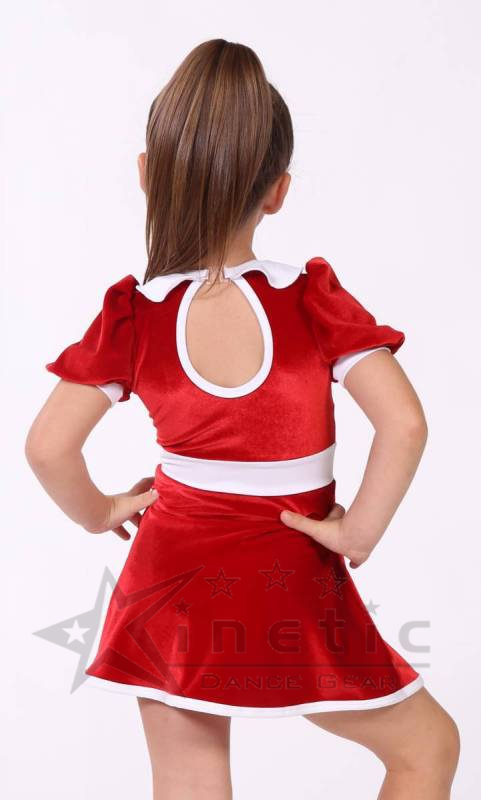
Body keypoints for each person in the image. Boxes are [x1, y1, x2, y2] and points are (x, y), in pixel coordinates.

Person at [25, 38, 460, 800]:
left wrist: (100, 512)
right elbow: (405, 424)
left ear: (145, 174)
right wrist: (356, 534)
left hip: (168, 582)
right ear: (277, 190)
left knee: (189, 779)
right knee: (425, 748)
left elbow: (48, 448)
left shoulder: (135, 316)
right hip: (290, 576)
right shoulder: (310, 300)